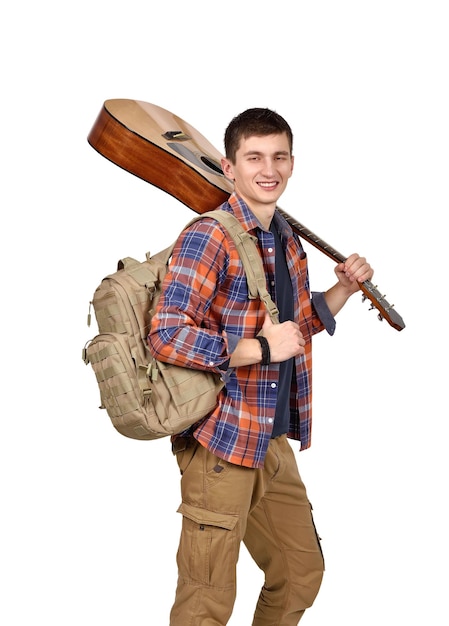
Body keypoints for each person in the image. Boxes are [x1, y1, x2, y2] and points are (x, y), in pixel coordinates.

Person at [147, 107, 374, 626]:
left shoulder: (285, 236)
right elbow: (167, 333)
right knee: (205, 604)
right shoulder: (210, 236)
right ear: (230, 168)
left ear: (292, 163)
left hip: (267, 440)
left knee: (299, 572)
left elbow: (289, 330)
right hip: (220, 444)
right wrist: (257, 348)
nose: (267, 168)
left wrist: (342, 290)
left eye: (278, 157)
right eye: (254, 157)